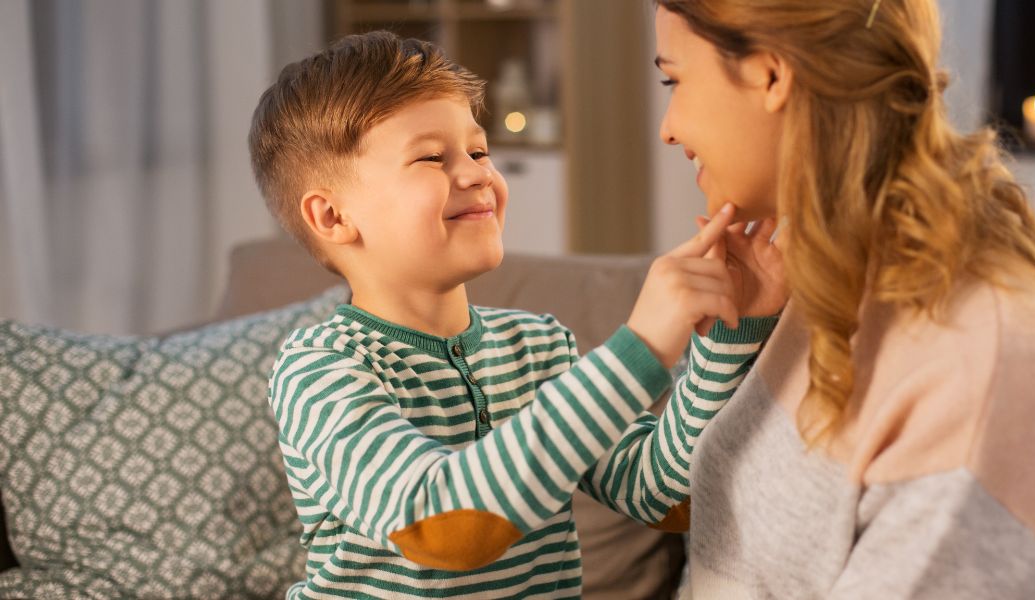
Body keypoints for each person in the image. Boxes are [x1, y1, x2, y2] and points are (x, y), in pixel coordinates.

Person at [248, 31, 784, 599]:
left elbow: (667, 495)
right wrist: (642, 348)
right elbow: (442, 527)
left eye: (479, 151)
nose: (479, 173)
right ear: (332, 217)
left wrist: (731, 329)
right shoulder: (320, 371)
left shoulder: (538, 346)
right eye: (432, 157)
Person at [652, 0, 1035, 597]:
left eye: (675, 79)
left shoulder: (983, 362)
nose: (666, 127)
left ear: (771, 74)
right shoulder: (820, 277)